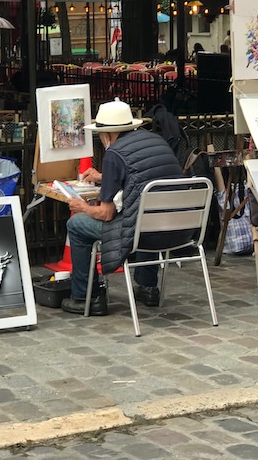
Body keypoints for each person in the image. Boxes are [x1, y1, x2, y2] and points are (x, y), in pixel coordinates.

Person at [61, 98, 188, 316]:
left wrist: (83, 208)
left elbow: (106, 214)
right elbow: (141, 177)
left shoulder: (114, 153)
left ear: (107, 135)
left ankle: (85, 297)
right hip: (176, 229)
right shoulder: (156, 141)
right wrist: (103, 177)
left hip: (144, 234)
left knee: (76, 225)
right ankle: (148, 288)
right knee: (147, 212)